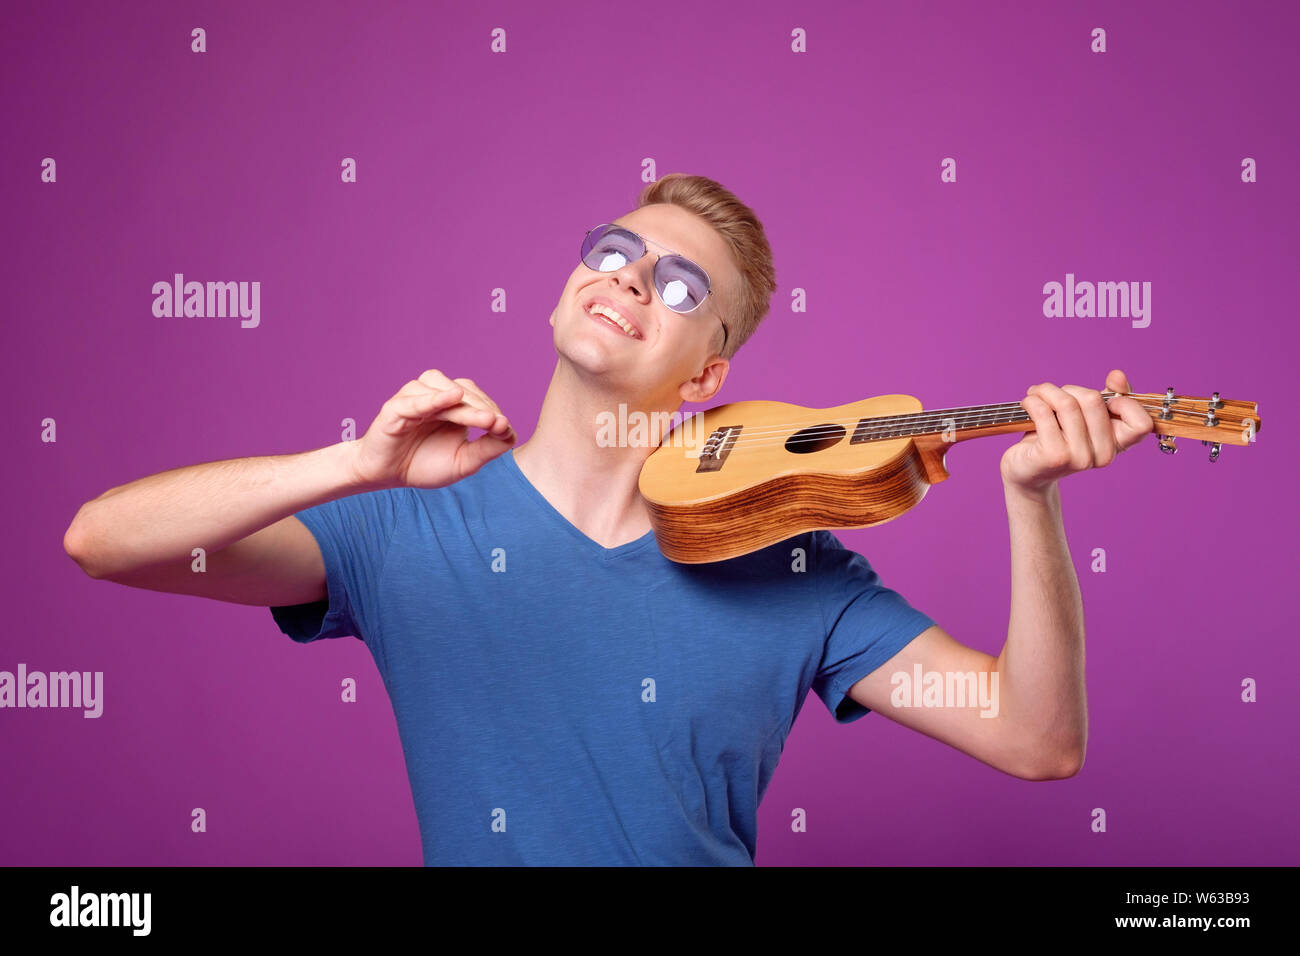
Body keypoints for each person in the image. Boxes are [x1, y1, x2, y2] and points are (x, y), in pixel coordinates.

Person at [62, 173, 1154, 865]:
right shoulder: (407, 526)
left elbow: (1035, 737)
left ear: (704, 374)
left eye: (681, 288)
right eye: (613, 251)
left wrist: (1030, 498)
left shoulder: (793, 570)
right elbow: (103, 539)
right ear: (566, 288)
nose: (631, 278)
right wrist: (353, 461)